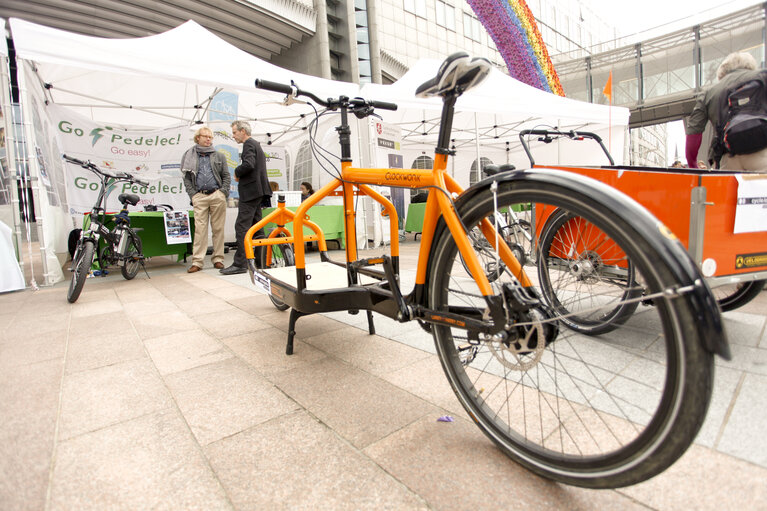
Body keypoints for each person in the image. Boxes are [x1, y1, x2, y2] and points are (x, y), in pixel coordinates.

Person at [685, 52, 767, 170]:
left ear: (722, 72)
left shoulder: (709, 92)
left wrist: (692, 164)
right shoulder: (762, 77)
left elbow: (693, 132)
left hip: (726, 157)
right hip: (762, 150)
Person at [221, 120, 273, 275]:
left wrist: (237, 172)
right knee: (257, 228)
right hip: (258, 190)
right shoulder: (256, 144)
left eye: (235, 132)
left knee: (242, 227)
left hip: (250, 191)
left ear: (243, 131)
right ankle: (261, 261)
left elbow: (249, 164)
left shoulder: (249, 144)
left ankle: (240, 263)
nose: (234, 136)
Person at [180, 126, 230, 273]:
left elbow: (226, 176)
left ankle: (218, 259)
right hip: (199, 196)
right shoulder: (189, 155)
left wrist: (222, 192)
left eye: (210, 137)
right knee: (200, 230)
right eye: (205, 136)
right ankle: (197, 261)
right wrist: (193, 195)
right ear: (198, 138)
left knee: (218, 229)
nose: (209, 139)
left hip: (217, 195)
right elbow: (187, 178)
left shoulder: (219, 156)